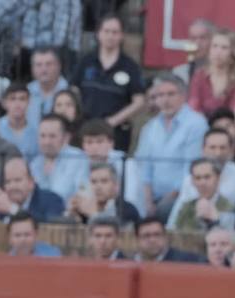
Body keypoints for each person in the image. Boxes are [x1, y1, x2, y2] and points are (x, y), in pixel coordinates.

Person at [135, 75, 207, 219]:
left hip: (183, 195)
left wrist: (168, 199)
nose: (165, 100)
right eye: (160, 95)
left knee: (164, 211)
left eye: (171, 94)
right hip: (151, 197)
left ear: (183, 96)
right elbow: (144, 168)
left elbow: (191, 170)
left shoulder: (196, 124)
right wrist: (148, 202)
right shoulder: (149, 127)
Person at [73, 15, 144, 154]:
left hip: (116, 132)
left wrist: (112, 121)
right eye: (106, 31)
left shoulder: (130, 66)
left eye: (115, 32)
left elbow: (139, 101)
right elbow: (73, 90)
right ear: (98, 34)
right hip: (85, 129)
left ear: (122, 35)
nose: (110, 36)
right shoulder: (86, 61)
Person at [0, 156, 63, 223]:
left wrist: (13, 209)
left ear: (31, 182)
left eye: (17, 180)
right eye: (7, 182)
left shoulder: (51, 200)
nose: (12, 186)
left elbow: (48, 224)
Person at [187, 27, 235, 119]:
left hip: (227, 125)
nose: (218, 52)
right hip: (200, 124)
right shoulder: (199, 75)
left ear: (233, 52)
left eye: (224, 48)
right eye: (214, 46)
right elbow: (194, 105)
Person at [133, 216, 201, 263]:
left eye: (157, 234)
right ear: (137, 239)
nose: (152, 240)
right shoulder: (129, 262)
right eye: (146, 236)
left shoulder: (187, 261)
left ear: (165, 237)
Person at [26, 46, 69, 117]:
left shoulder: (69, 90)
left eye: (48, 64)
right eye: (38, 65)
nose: (44, 69)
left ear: (59, 66)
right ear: (32, 68)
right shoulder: (26, 92)